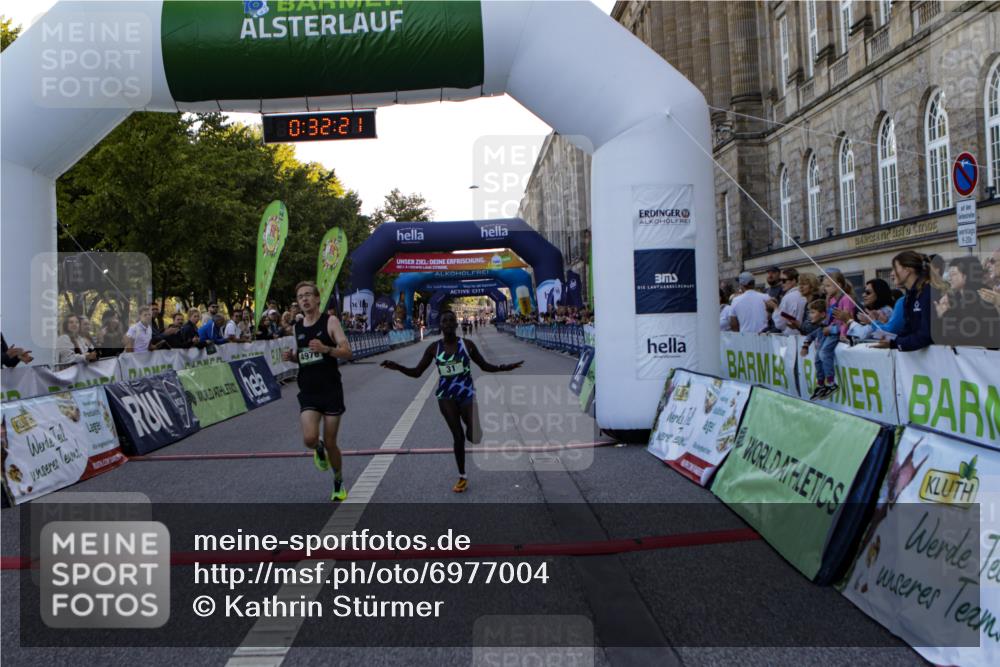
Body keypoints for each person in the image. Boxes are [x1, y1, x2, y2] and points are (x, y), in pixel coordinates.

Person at [380, 309, 523, 493]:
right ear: (440, 325)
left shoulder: (467, 345)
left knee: (475, 436)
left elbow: (484, 365)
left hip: (466, 394)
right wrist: (398, 367)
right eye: (444, 320)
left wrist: (505, 367)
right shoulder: (434, 348)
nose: (447, 323)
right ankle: (462, 476)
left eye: (450, 320)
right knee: (458, 436)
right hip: (446, 396)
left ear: (456, 324)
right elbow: (417, 373)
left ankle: (474, 430)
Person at [280, 281, 353, 501]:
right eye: (300, 296)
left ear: (318, 298)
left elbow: (347, 351)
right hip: (309, 390)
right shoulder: (297, 326)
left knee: (332, 442)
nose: (304, 299)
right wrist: (292, 357)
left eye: (308, 295)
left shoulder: (330, 321)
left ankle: (338, 480)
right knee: (310, 438)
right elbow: (304, 355)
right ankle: (317, 447)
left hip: (330, 389)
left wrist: (326, 349)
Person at [873, 251, 933, 352]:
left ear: (907, 270)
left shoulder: (927, 292)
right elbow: (908, 330)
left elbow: (925, 335)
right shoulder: (909, 297)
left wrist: (895, 343)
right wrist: (892, 341)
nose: (892, 273)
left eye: (895, 268)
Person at [800, 299, 839, 400]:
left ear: (822, 314)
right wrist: (805, 346)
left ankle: (831, 383)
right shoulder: (820, 328)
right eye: (809, 313)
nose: (810, 315)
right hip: (821, 348)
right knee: (817, 359)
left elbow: (838, 330)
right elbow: (810, 336)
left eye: (813, 312)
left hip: (827, 347)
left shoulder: (830, 326)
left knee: (823, 353)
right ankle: (821, 385)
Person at [770, 268, 806, 335]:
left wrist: (775, 307)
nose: (781, 283)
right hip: (803, 334)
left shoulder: (788, 297)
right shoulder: (804, 295)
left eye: (784, 280)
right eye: (780, 280)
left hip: (791, 336)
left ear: (794, 280)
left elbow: (779, 323)